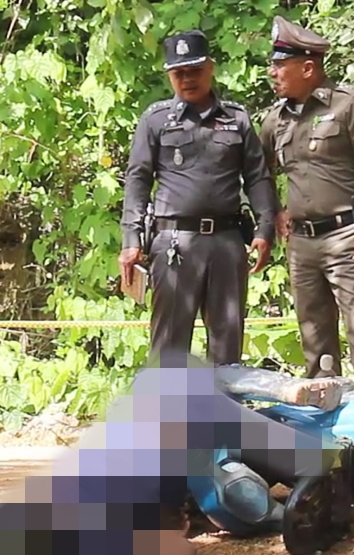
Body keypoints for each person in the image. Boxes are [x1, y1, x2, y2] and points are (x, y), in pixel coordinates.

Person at [0, 350, 342, 555]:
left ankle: (311, 453)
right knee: (180, 387)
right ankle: (317, 461)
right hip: (167, 463)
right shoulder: (84, 542)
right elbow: (178, 551)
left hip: (147, 447)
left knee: (175, 381)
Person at [119, 29, 280, 367]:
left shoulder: (236, 119)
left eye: (194, 70)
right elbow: (138, 180)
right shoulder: (156, 120)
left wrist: (265, 228)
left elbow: (257, 176)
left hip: (226, 242)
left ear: (210, 68)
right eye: (178, 73)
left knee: (227, 345)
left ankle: (221, 402)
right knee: (169, 346)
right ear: (169, 75)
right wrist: (131, 240)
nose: (187, 79)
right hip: (175, 244)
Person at [258, 16, 354, 381]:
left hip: (346, 236)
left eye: (280, 65)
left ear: (307, 68)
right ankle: (323, 404)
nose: (273, 73)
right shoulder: (276, 119)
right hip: (301, 243)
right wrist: (274, 211)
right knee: (314, 336)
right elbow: (259, 171)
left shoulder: (349, 105)